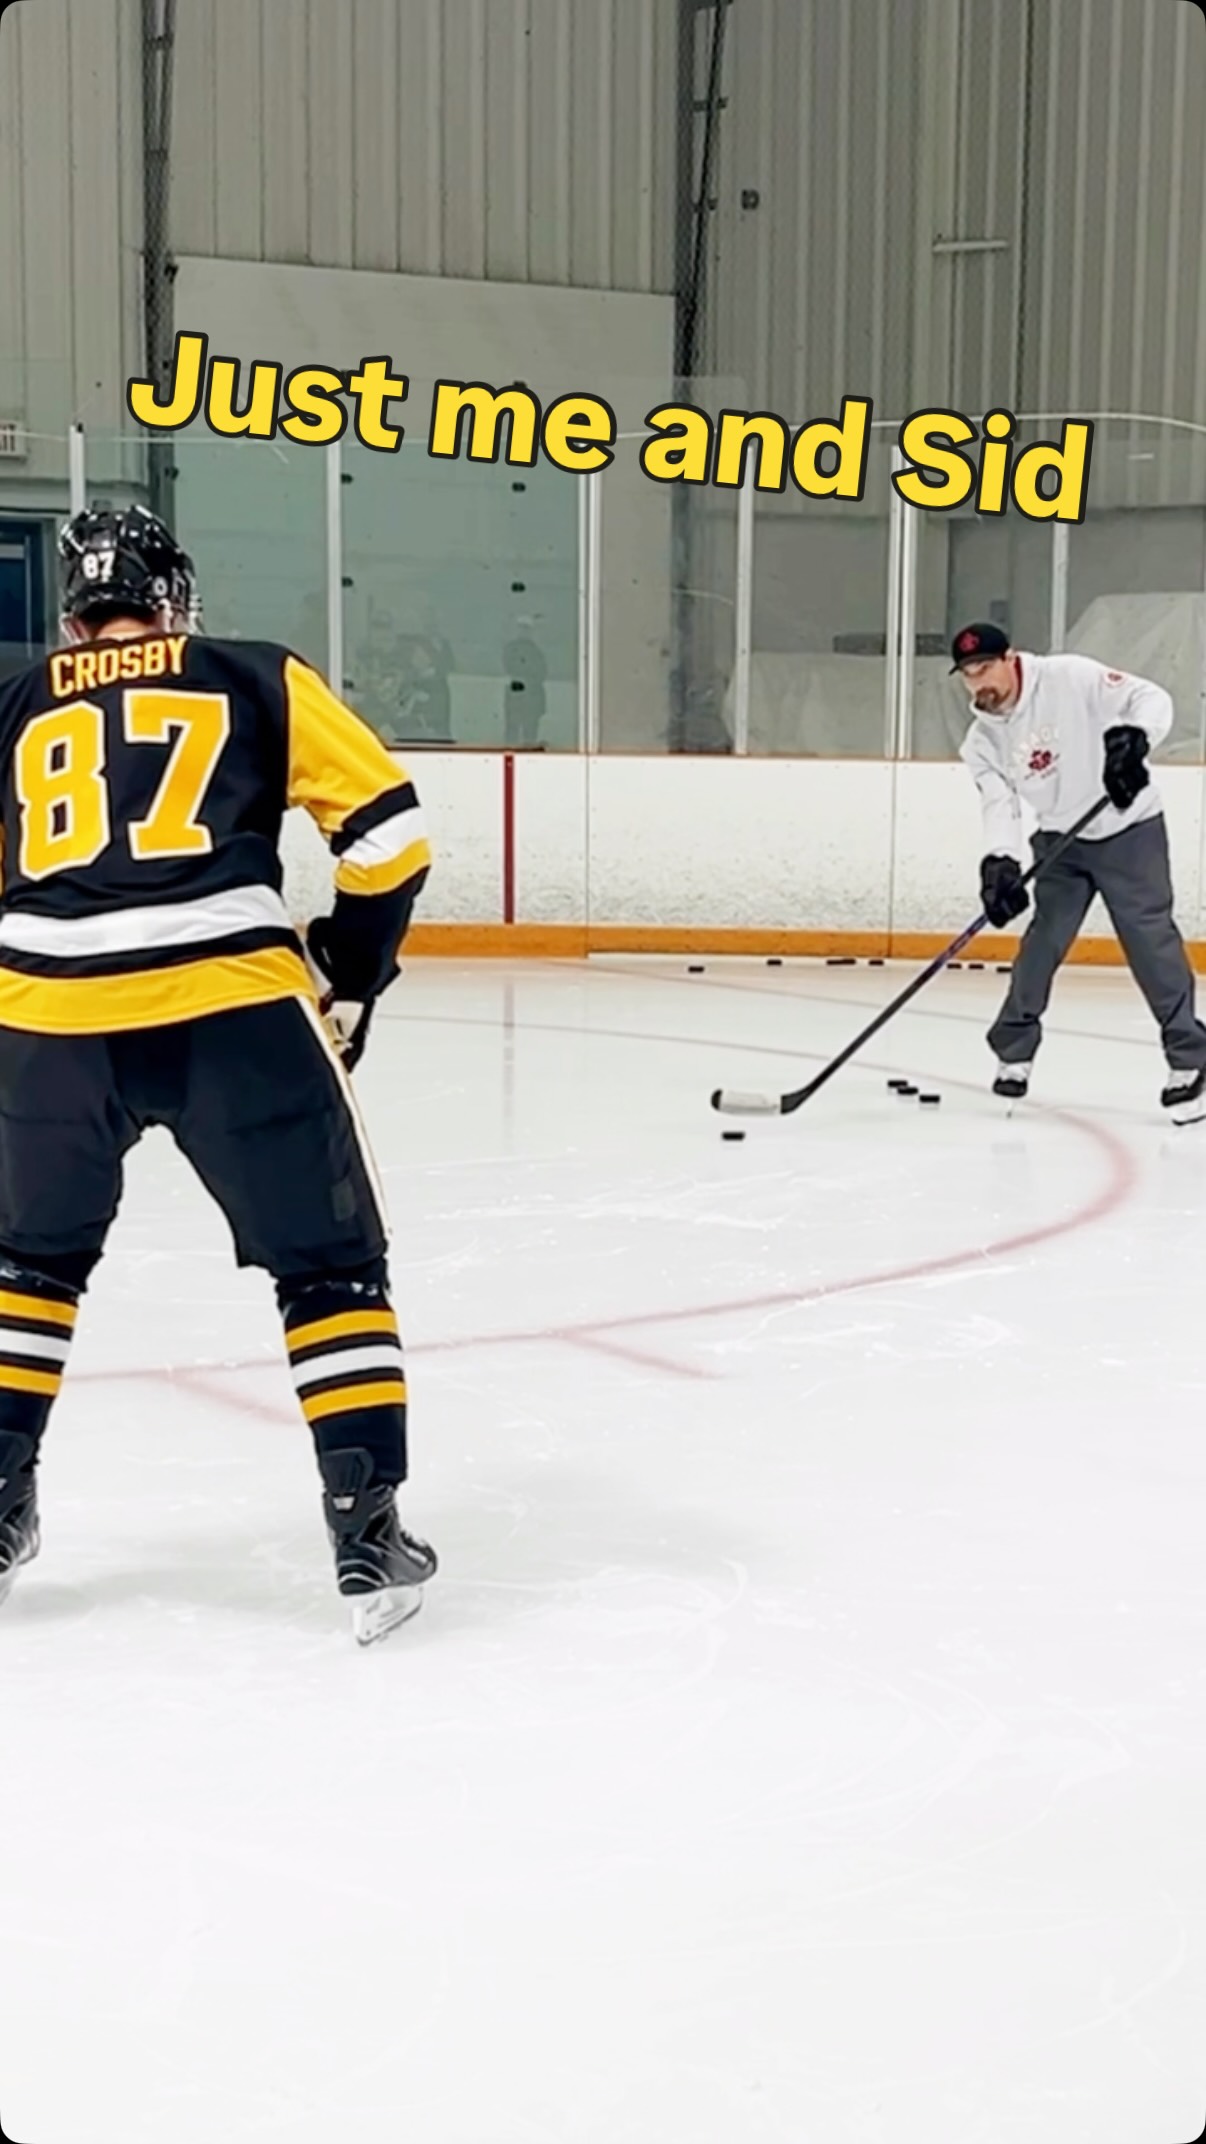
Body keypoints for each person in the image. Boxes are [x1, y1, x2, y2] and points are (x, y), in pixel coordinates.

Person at [0, 506, 436, 1644]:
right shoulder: (251, 673)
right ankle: (366, 1534)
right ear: (173, 599)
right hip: (235, 1009)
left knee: (26, 1267)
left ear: (75, 616)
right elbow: (390, 838)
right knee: (331, 1269)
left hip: (44, 1019)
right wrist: (352, 966)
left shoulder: (14, 704)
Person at [954, 620, 1206, 1122]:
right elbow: (1000, 805)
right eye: (967, 673)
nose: (978, 681)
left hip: (1129, 829)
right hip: (1061, 841)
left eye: (985, 668)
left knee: (1149, 939)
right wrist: (1000, 862)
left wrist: (1136, 739)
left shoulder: (1069, 676)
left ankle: (1191, 1059)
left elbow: (1150, 698)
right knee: (1043, 942)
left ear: (1010, 659)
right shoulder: (981, 742)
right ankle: (1014, 1050)